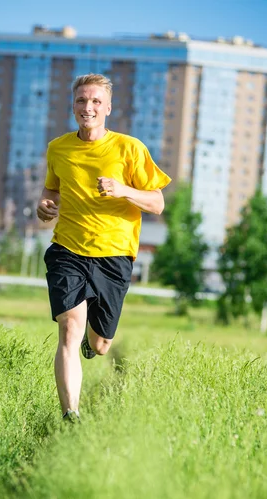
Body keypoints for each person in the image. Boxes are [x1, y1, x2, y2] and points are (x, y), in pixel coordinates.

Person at [37, 73, 171, 422]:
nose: (88, 107)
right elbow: (51, 192)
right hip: (68, 248)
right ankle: (71, 414)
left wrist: (123, 190)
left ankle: (93, 342)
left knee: (100, 345)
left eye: (96, 101)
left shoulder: (130, 148)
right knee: (69, 329)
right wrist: (45, 206)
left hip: (114, 255)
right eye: (82, 100)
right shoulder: (58, 148)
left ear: (108, 108)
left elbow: (157, 203)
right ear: (73, 105)